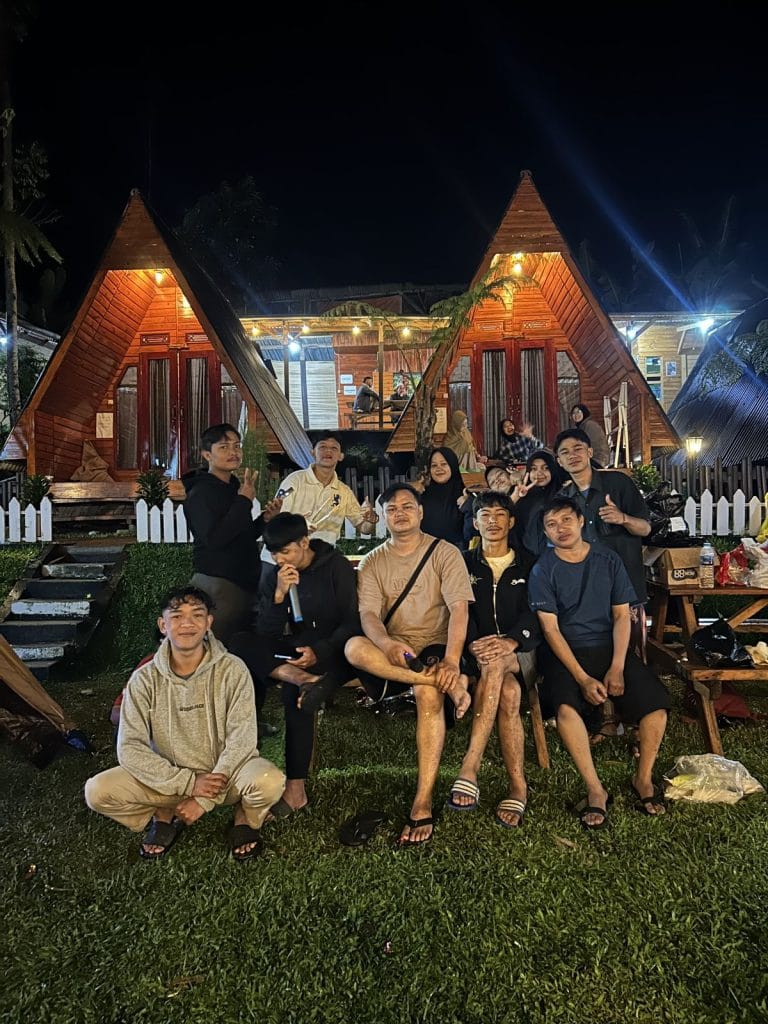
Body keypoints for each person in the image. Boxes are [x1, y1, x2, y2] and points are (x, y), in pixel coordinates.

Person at [84, 587, 285, 861]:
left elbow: (242, 739)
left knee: (270, 781)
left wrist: (203, 799)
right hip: (168, 779)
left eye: (197, 615)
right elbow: (129, 748)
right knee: (98, 791)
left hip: (225, 776)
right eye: (177, 616)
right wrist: (189, 784)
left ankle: (244, 820)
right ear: (162, 625)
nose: (187, 623)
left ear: (209, 623)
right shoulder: (143, 679)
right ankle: (163, 812)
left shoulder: (233, 669)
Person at [345, 483, 474, 846]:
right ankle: (442, 684)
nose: (399, 513)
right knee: (354, 648)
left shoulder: (445, 552)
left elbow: (459, 610)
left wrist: (452, 661)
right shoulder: (372, 561)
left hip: (434, 644)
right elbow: (369, 615)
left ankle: (423, 799)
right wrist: (387, 643)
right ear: (383, 517)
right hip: (395, 652)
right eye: (392, 509)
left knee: (427, 696)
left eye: (406, 506)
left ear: (420, 512)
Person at [528, 498, 670, 828]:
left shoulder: (607, 559)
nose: (561, 528)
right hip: (566, 651)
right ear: (546, 533)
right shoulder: (542, 569)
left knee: (656, 707)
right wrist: (581, 678)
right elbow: (550, 629)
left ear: (581, 521)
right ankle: (595, 789)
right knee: (566, 710)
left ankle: (643, 779)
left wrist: (617, 667)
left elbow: (622, 616)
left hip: (610, 647)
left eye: (566, 520)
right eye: (552, 524)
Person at [229, 513, 360, 818]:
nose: (280, 559)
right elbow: (267, 633)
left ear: (304, 542)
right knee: (238, 643)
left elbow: (352, 622)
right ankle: (299, 677)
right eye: (274, 553)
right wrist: (278, 596)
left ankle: (295, 789)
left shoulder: (336, 566)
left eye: (286, 551)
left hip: (333, 648)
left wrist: (319, 651)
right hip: (296, 651)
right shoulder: (275, 574)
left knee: (295, 696)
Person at [448, 491, 540, 828]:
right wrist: (473, 643)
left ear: (511, 521)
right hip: (479, 652)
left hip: (523, 652)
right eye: (485, 515)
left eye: (500, 514)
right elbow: (459, 610)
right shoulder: (462, 563)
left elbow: (538, 610)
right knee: (509, 694)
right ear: (475, 523)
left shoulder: (530, 563)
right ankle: (518, 786)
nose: (493, 521)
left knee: (497, 663)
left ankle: (470, 765)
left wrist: (513, 640)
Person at [550, 427, 652, 657]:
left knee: (631, 656)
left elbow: (645, 528)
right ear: (560, 462)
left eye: (578, 449)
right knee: (595, 656)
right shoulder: (563, 499)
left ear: (589, 452)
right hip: (586, 592)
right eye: (565, 452)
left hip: (626, 588)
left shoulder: (617, 483)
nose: (572, 455)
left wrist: (623, 518)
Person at [182, 423, 281, 646]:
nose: (233, 452)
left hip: (243, 582)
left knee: (237, 649)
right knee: (212, 648)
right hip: (219, 583)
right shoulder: (201, 492)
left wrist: (265, 520)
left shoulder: (232, 488)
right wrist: (244, 500)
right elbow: (214, 539)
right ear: (207, 455)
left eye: (237, 446)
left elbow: (240, 535)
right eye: (224, 447)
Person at [276, 431, 379, 545]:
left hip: (322, 553)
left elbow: (364, 528)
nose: (328, 451)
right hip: (285, 551)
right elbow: (277, 518)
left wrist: (371, 519)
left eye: (334, 448)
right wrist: (298, 526)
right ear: (313, 452)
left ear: (341, 456)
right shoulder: (295, 481)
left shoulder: (344, 491)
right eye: (322, 447)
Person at [419, 447, 467, 548]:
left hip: (458, 550)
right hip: (426, 549)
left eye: (444, 464)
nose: (438, 468)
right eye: (434, 465)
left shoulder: (465, 493)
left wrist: (468, 504)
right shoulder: (423, 493)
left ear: (452, 465)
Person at [571, 404, 611, 468]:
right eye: (573, 413)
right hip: (591, 459)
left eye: (578, 412)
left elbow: (586, 444)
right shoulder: (581, 427)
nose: (576, 415)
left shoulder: (590, 425)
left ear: (584, 412)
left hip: (598, 460)